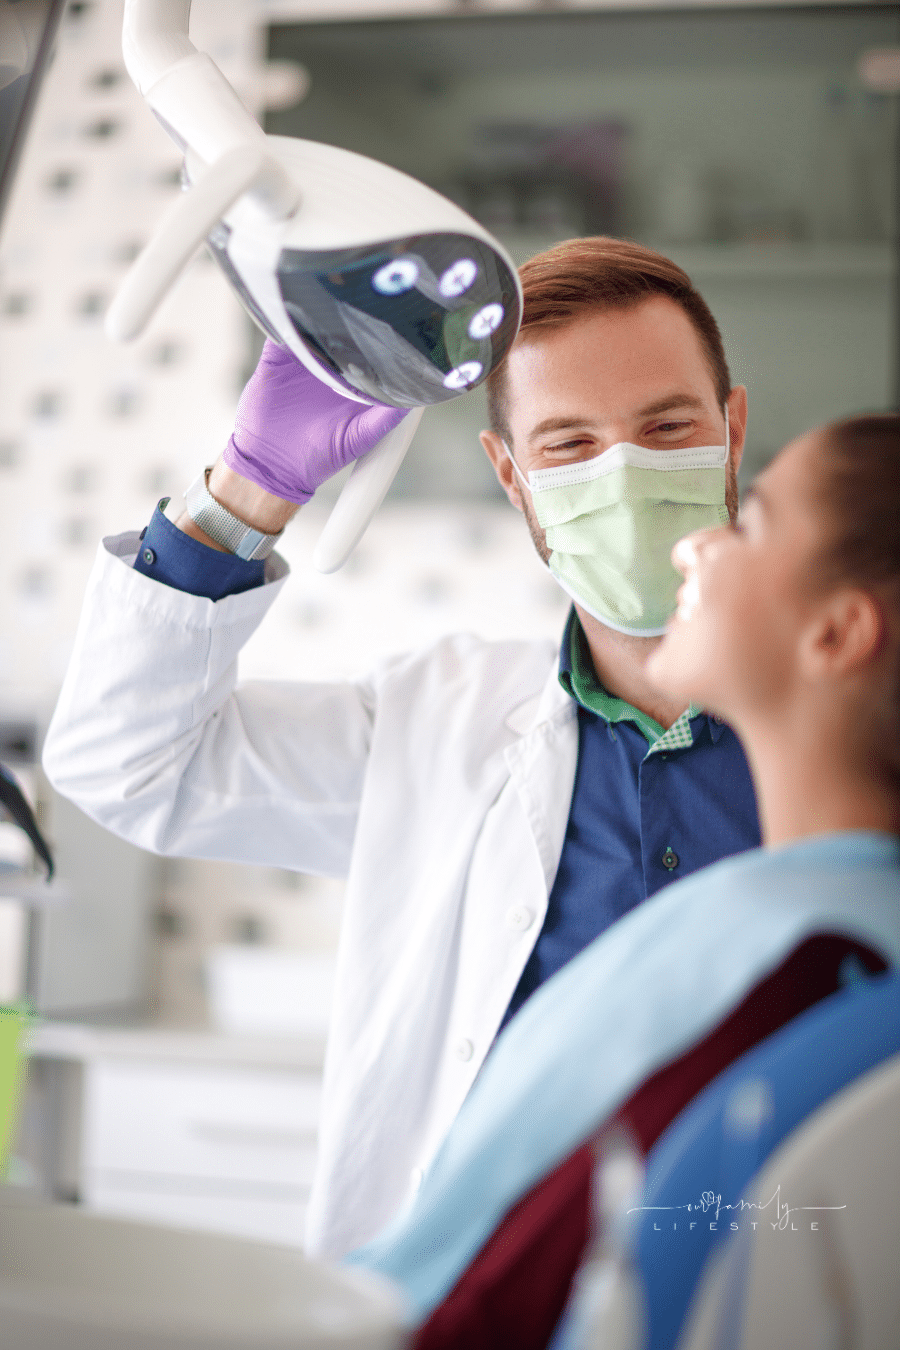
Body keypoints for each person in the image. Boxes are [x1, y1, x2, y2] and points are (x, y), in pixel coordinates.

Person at [41, 237, 760, 1259]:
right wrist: (250, 486)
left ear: (731, 432)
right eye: (568, 445)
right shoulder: (438, 726)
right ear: (510, 476)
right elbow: (128, 763)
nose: (627, 472)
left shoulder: (855, 723)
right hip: (487, 1291)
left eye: (667, 427)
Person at [346, 413, 900, 1349]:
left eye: (751, 521)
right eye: (567, 443)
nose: (693, 541)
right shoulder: (851, 928)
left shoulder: (784, 957)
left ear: (838, 632)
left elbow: (471, 1306)